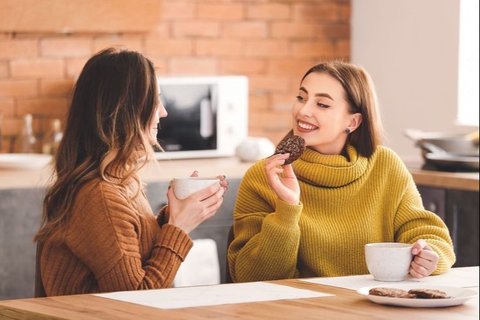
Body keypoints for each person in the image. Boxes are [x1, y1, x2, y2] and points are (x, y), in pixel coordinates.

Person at [227, 61, 455, 282]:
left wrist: (427, 254)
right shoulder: (264, 175)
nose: (303, 110)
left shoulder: (385, 166)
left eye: (322, 104)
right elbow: (252, 278)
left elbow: (425, 232)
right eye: (301, 98)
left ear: (353, 122)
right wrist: (286, 210)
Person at [35, 48, 227, 296]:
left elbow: (131, 249)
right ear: (127, 110)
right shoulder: (101, 196)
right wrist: (178, 227)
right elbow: (135, 299)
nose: (163, 112)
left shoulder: (120, 183)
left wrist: (174, 216)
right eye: (155, 100)